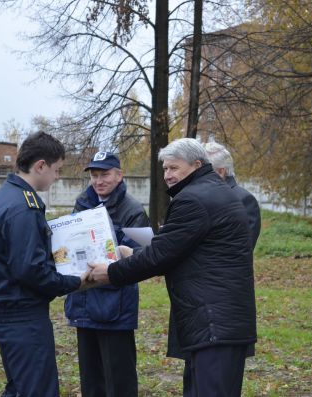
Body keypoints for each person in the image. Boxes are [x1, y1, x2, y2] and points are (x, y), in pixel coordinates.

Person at [88, 138, 257, 397]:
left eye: (174, 168)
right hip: (223, 320)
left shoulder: (193, 199)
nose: (167, 175)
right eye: (165, 169)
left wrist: (110, 273)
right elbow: (178, 248)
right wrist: (134, 252)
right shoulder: (215, 190)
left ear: (197, 164)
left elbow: (160, 257)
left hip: (213, 321)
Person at [0, 131, 87, 397]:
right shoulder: (23, 207)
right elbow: (30, 269)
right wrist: (77, 282)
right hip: (21, 315)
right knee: (37, 389)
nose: (57, 177)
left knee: (19, 386)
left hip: (7, 310)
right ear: (40, 165)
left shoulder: (7, 195)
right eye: (57, 170)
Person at [64, 151, 150, 397]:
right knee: (91, 378)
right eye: (94, 175)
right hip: (83, 301)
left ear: (119, 175)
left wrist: (123, 254)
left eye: (105, 174)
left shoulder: (133, 209)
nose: (99, 181)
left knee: (118, 378)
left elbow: (144, 255)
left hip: (115, 306)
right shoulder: (82, 202)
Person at [204, 141, 261, 248]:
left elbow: (244, 246)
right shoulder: (203, 196)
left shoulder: (244, 199)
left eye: (204, 171)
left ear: (221, 172)